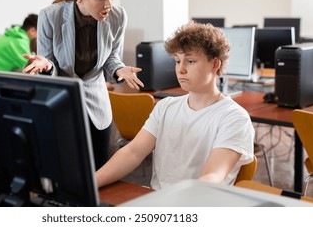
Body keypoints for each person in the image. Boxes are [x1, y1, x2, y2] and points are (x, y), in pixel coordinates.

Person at [96, 21, 255, 190]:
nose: (181, 70)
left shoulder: (234, 118)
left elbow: (212, 176)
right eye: (178, 61)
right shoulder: (165, 107)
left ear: (215, 64)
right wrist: (91, 182)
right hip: (161, 201)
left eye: (190, 61)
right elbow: (133, 152)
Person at [22, 0, 144, 169]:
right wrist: (46, 65)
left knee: (98, 172)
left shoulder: (117, 17)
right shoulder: (50, 17)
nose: (108, 4)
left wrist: (119, 69)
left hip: (97, 106)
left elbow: (112, 57)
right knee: (65, 171)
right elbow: (49, 60)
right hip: (62, 104)